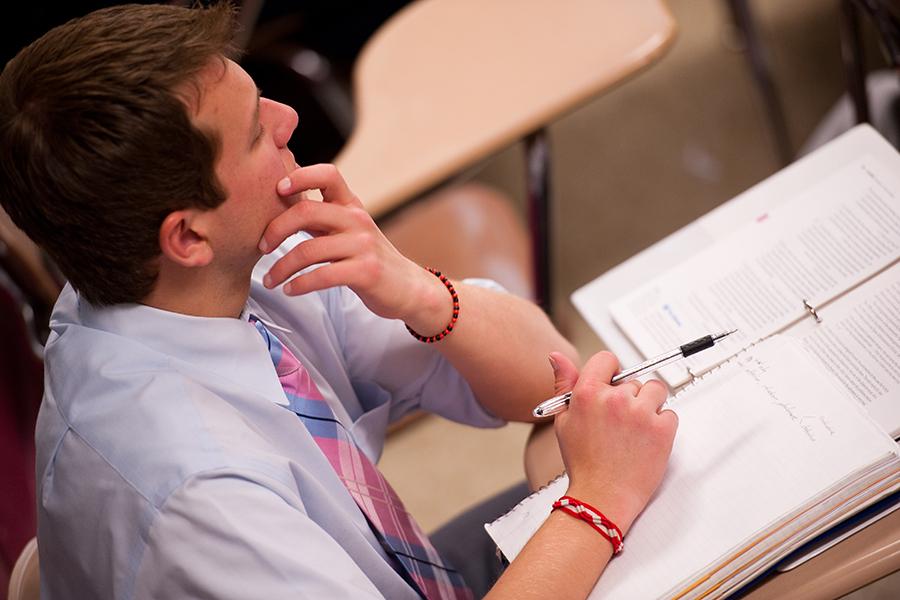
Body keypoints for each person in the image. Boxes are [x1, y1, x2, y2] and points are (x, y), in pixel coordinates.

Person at [0, 3, 678, 598]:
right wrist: (598, 503)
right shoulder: (198, 499)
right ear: (187, 235)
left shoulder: (220, 274)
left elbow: (548, 379)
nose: (290, 117)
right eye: (256, 133)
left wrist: (418, 293)